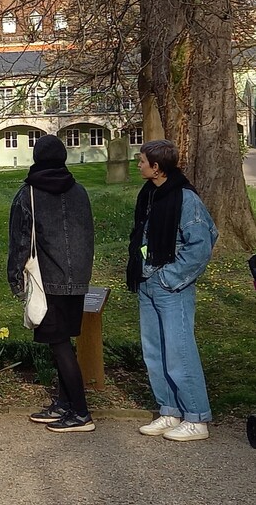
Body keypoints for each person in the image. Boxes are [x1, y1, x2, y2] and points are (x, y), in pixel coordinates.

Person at [127, 139, 217, 442]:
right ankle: (169, 410)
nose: (138, 164)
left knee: (179, 351)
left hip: (171, 286)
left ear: (157, 167)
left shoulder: (185, 199)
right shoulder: (150, 194)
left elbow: (201, 245)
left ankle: (196, 417)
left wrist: (170, 277)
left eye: (142, 161)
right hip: (147, 282)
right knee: (154, 351)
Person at [7, 135, 96, 432]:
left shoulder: (28, 194)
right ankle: (64, 403)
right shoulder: (80, 191)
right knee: (64, 343)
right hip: (77, 279)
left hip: (48, 281)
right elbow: (88, 236)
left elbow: (20, 240)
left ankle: (81, 412)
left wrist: (15, 276)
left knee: (59, 346)